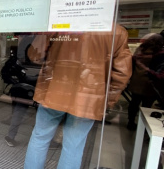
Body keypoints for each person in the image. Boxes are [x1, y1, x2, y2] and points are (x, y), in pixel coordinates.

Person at [24, 25, 132, 169]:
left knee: (40, 137)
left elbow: (34, 55)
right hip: (88, 97)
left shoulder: (61, 24)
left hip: (54, 91)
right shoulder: (117, 31)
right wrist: (107, 101)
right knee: (74, 147)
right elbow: (122, 74)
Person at [127, 33, 163, 130]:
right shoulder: (158, 53)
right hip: (149, 81)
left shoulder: (141, 49)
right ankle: (142, 126)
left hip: (137, 79)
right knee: (146, 106)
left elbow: (133, 61)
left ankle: (130, 122)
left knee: (134, 102)